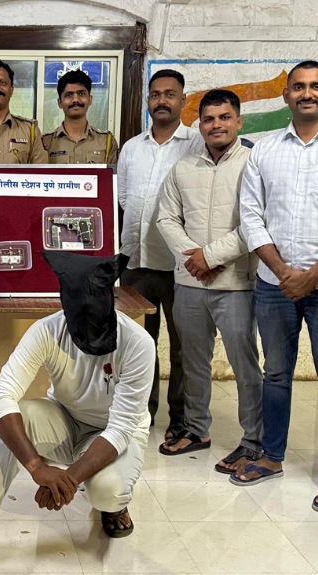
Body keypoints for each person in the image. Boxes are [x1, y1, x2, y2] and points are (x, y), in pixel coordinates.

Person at [0, 252, 154, 575]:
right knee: (14, 419)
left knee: (107, 492)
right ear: (64, 306)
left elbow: (121, 428)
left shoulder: (138, 344)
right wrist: (36, 466)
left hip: (114, 432)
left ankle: (115, 506)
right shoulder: (46, 330)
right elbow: (1, 395)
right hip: (64, 418)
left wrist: (68, 480)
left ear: (111, 303)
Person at [233, 61, 318, 512]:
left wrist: (311, 276)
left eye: (316, 86)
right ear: (286, 95)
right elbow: (251, 216)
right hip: (274, 284)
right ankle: (271, 457)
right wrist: (282, 271)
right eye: (298, 87)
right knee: (276, 373)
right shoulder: (264, 149)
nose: (306, 93)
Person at [155, 89, 263, 468]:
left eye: (224, 117)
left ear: (239, 122)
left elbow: (256, 223)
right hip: (189, 284)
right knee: (193, 362)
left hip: (236, 284)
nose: (217, 125)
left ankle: (254, 440)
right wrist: (194, 257)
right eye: (209, 119)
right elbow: (166, 218)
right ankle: (196, 429)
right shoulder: (183, 168)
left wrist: (211, 257)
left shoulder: (254, 164)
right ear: (199, 125)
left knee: (244, 365)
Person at [116, 68, 203, 453]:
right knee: (139, 345)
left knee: (183, 346)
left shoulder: (196, 144)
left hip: (181, 265)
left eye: (170, 94)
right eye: (156, 94)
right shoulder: (132, 147)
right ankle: (142, 412)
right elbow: (123, 198)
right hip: (135, 261)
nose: (162, 100)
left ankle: (180, 418)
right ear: (148, 101)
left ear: (183, 100)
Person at [41, 69, 118, 164]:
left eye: (82, 94)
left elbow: (112, 173)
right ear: (59, 102)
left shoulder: (107, 142)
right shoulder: (46, 143)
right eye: (68, 95)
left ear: (90, 99)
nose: (75, 100)